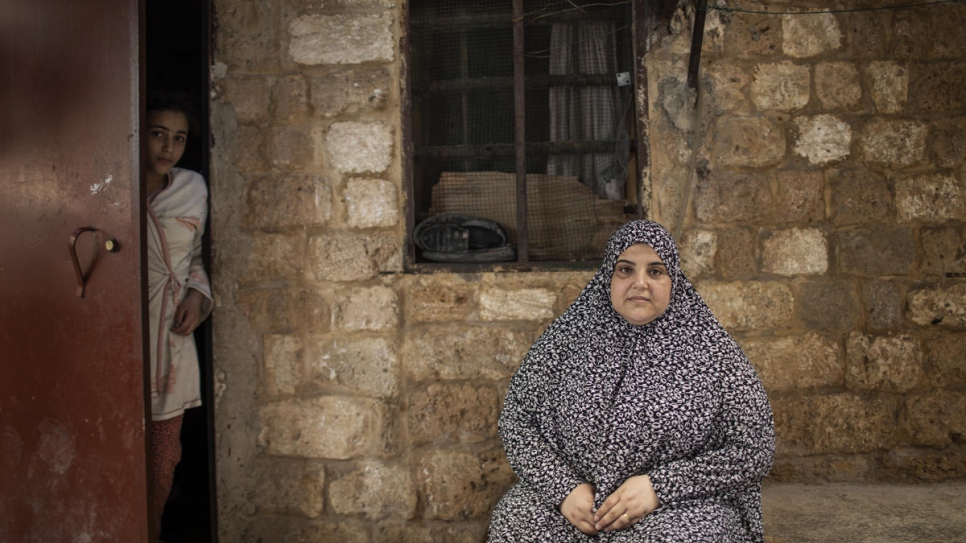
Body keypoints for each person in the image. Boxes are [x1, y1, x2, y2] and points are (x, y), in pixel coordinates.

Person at [487, 220, 775, 542]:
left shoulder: (713, 351)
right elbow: (517, 421)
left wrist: (660, 487)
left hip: (677, 507)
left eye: (655, 271)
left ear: (674, 280)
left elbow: (754, 449)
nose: (640, 283)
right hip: (578, 508)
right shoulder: (565, 340)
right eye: (625, 270)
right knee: (515, 522)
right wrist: (564, 489)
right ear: (608, 276)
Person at [144, 90, 212, 537]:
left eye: (180, 138)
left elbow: (197, 256)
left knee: (164, 455)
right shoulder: (112, 182)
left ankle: (151, 530)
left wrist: (196, 296)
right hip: (124, 329)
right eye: (158, 134)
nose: (169, 147)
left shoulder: (193, 188)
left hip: (171, 334)